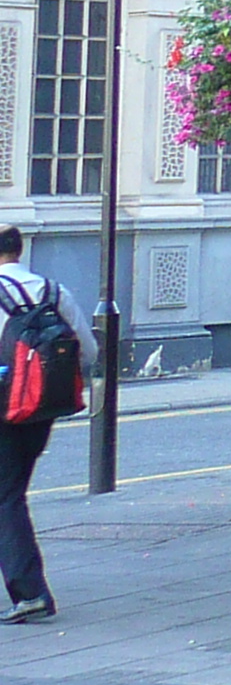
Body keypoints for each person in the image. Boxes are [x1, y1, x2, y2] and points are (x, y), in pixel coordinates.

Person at [0, 227, 94, 623]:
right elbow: (87, 351)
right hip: (41, 408)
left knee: (6, 497)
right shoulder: (54, 292)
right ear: (20, 250)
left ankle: (31, 592)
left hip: (3, 405)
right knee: (11, 491)